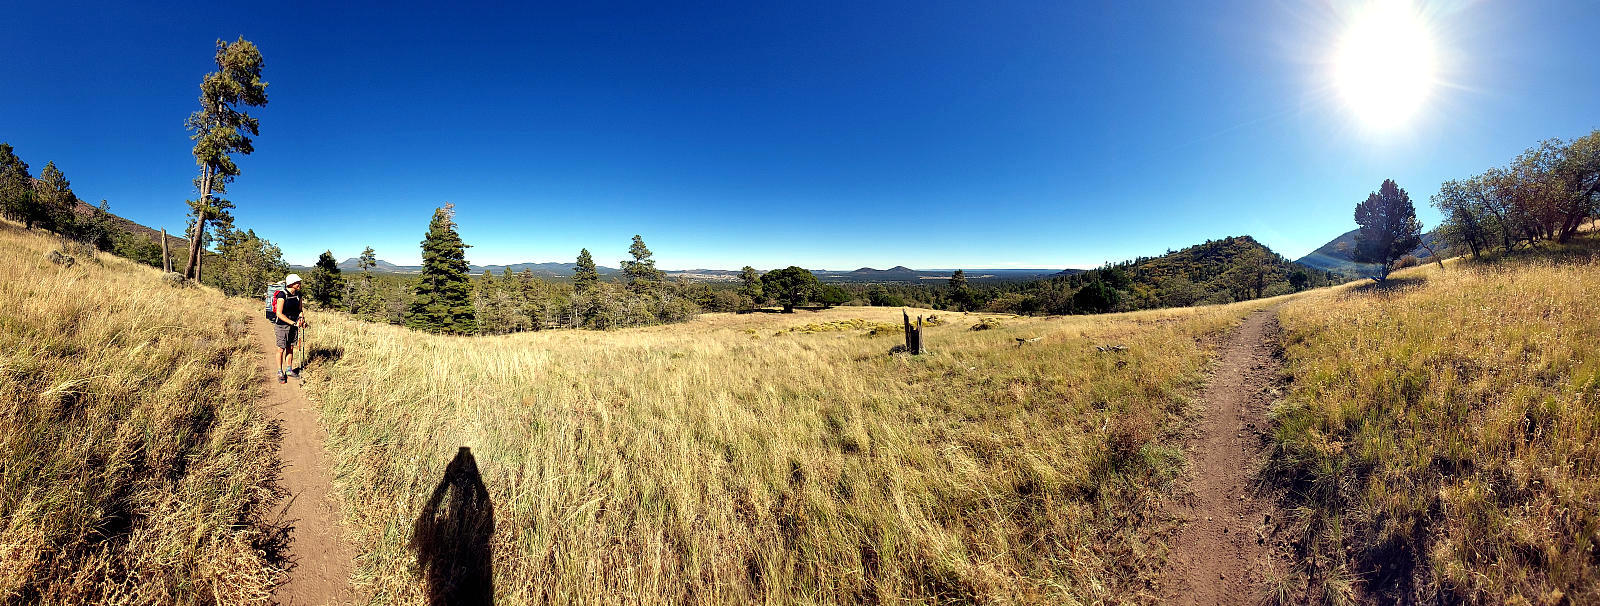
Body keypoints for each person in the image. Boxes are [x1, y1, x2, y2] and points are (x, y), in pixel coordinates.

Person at [273, 273, 309, 383]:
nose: (299, 284)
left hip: (294, 324)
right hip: (282, 325)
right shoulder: (282, 295)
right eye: (297, 282)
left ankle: (289, 370)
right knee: (281, 348)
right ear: (291, 284)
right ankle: (280, 371)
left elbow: (300, 310)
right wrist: (293, 323)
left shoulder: (298, 295)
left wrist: (301, 319)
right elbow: (279, 313)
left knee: (290, 347)